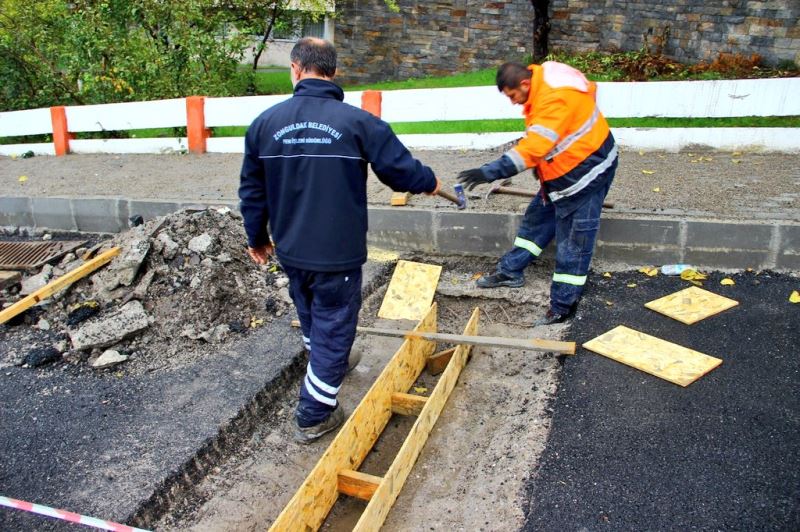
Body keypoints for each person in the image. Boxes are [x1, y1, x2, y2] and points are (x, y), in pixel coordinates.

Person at [239, 37, 440, 444]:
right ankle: (314, 415)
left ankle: (331, 362)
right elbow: (401, 173)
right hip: (337, 254)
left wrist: (257, 238)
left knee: (313, 312)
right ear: (333, 71)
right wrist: (429, 180)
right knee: (334, 326)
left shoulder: (265, 124)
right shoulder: (359, 123)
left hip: (291, 248)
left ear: (296, 69)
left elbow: (252, 191)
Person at [458, 61, 617, 326]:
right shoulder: (545, 77)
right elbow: (552, 136)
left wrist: (491, 171)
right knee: (536, 221)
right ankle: (511, 271)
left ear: (524, 84)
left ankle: (562, 306)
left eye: (512, 96)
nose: (513, 102)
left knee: (574, 243)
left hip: (587, 175)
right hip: (565, 171)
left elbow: (534, 147)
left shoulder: (553, 99)